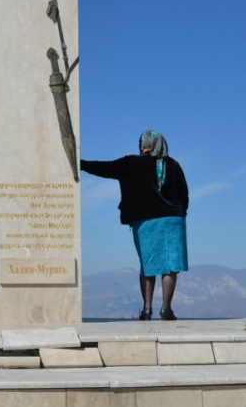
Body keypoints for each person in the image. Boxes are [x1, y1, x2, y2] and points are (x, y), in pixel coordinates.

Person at [80, 131, 189, 321]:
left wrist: (79, 163)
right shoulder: (173, 164)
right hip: (173, 220)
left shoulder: (130, 163)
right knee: (171, 265)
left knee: (148, 265)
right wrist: (180, 213)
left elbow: (104, 168)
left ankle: (146, 310)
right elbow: (184, 195)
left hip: (144, 221)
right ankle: (166, 309)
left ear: (143, 145)